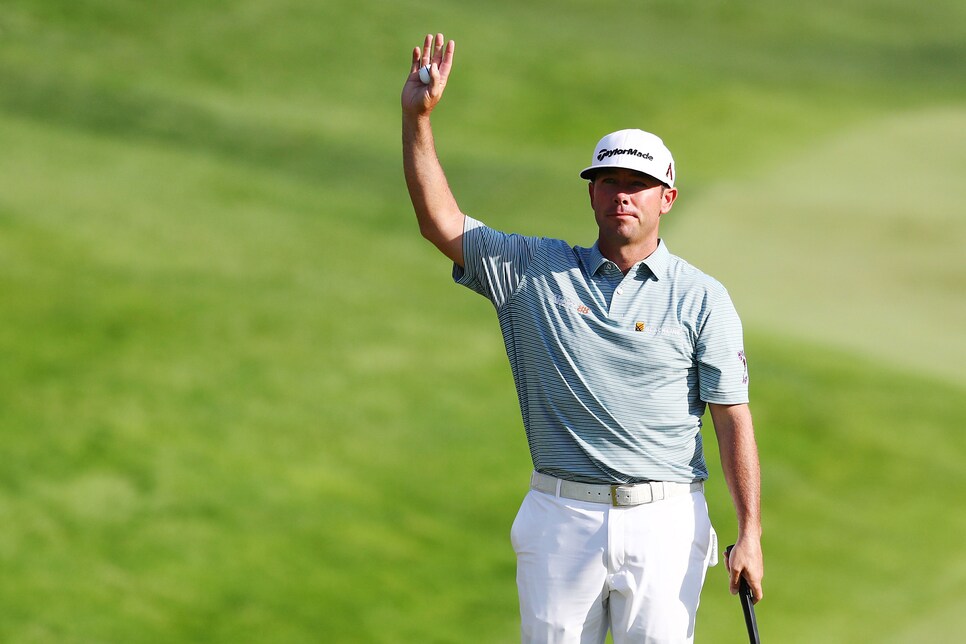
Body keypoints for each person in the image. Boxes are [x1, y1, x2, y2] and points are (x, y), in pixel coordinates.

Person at [402, 33, 763, 644]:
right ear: (590, 192)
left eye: (637, 184)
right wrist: (418, 119)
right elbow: (440, 223)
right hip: (560, 515)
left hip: (667, 519)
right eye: (608, 180)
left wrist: (750, 531)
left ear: (666, 198)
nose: (621, 193)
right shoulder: (535, 272)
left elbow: (732, 417)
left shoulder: (703, 296)